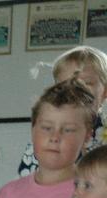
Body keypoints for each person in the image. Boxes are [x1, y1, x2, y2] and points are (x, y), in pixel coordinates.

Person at [17, 46, 107, 177]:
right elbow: (27, 182)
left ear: (105, 91)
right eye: (67, 83)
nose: (76, 90)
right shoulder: (47, 134)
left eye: (87, 83)